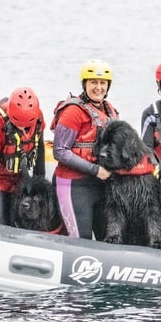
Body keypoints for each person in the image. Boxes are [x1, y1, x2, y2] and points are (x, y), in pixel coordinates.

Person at [51, 59, 120, 240]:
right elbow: (60, 151)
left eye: (102, 83)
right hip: (74, 185)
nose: (98, 88)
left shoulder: (110, 111)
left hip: (100, 186)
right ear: (85, 84)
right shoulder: (72, 111)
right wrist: (95, 169)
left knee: (109, 238)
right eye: (93, 83)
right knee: (81, 239)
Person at [0, 87, 47, 226]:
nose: (22, 130)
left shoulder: (38, 117)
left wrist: (39, 187)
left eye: (26, 127)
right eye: (18, 125)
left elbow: (40, 150)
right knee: (1, 223)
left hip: (19, 179)